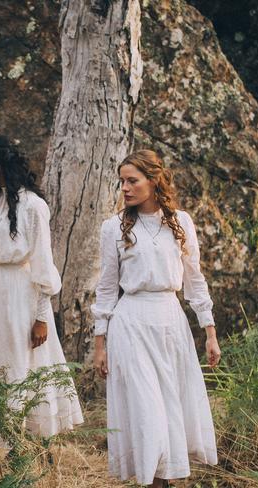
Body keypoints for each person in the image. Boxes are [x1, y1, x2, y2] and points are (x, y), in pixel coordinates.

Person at [92, 150, 221, 487]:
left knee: (169, 407)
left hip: (170, 321)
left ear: (154, 180)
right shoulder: (113, 228)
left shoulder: (181, 223)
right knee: (147, 410)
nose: (125, 188)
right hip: (131, 322)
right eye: (122, 181)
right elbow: (106, 287)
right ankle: (152, 482)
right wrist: (100, 342)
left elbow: (194, 281)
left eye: (132, 180)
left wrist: (209, 332)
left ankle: (164, 480)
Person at [0, 135, 84, 437]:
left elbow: (42, 264)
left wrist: (42, 317)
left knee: (22, 360)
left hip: (21, 292)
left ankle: (29, 434)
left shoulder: (34, 206)